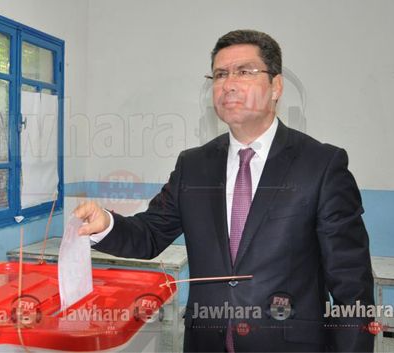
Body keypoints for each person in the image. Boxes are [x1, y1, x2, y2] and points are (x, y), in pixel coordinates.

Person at [74, 29, 374, 353]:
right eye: (219, 74)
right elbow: (149, 234)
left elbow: (351, 286)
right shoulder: (193, 165)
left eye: (244, 72)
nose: (228, 84)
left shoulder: (321, 165)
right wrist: (106, 223)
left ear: (276, 87)